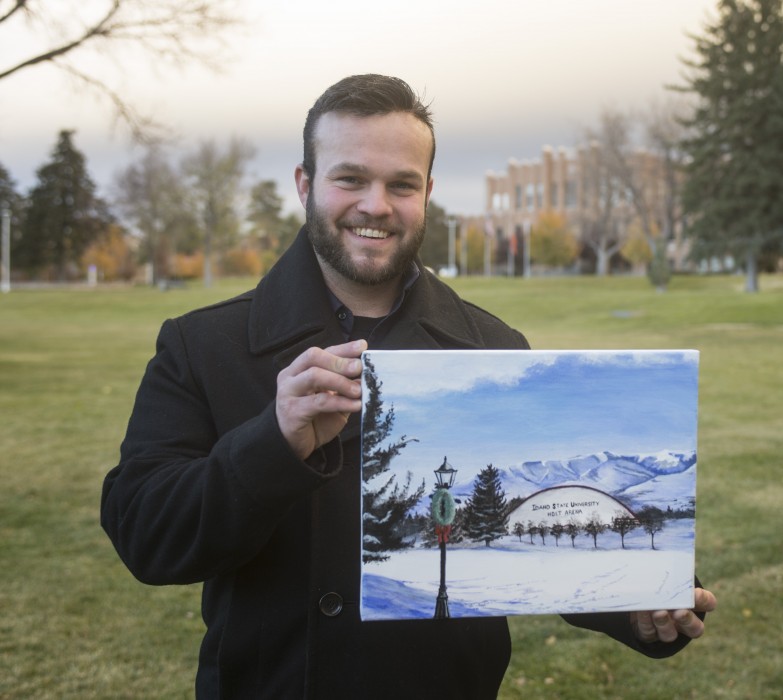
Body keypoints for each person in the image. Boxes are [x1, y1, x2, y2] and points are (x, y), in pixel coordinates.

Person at [100, 74, 716, 699]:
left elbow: (530, 539)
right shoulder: (203, 346)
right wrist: (273, 442)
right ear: (305, 185)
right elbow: (146, 536)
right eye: (350, 179)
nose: (376, 204)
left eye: (401, 184)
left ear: (426, 193)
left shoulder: (493, 349)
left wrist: (643, 600)